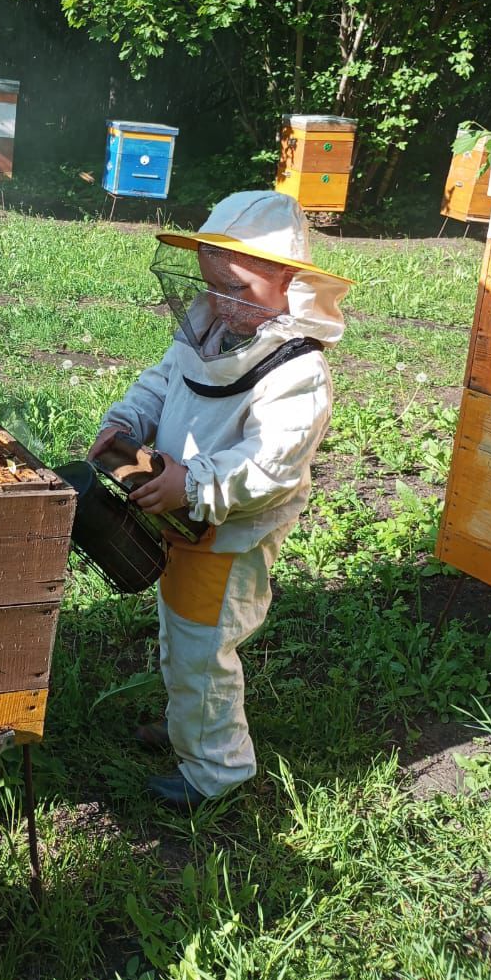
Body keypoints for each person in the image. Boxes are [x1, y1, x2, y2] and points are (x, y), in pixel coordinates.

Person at [89, 191, 351, 811]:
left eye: (239, 291)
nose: (223, 305)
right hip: (178, 516)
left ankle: (214, 771)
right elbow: (161, 382)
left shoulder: (297, 371)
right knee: (180, 639)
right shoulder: (208, 320)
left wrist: (196, 483)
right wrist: (125, 423)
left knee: (202, 655)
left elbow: (272, 465)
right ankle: (190, 728)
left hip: (224, 538)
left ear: (288, 280)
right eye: (212, 287)